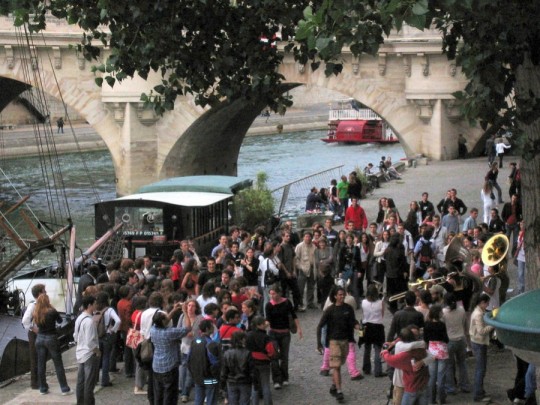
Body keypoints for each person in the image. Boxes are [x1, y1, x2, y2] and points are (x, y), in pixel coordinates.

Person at [316, 286, 361, 403]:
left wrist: (358, 327)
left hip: (345, 341)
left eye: (343, 294)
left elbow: (353, 322)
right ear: (335, 296)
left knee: (338, 366)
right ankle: (339, 391)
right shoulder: (330, 310)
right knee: (335, 367)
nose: (342, 297)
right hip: (333, 342)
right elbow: (320, 326)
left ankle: (334, 386)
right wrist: (319, 343)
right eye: (340, 295)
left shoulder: (348, 308)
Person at [151, 306, 191, 405]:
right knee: (170, 394)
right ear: (164, 321)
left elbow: (163, 320)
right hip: (169, 367)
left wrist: (174, 309)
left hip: (157, 366)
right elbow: (188, 328)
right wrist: (185, 312)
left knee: (158, 393)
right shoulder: (169, 333)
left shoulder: (153, 329)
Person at [33, 294, 72, 395]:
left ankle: (42, 388)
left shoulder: (36, 312)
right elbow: (60, 321)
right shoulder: (52, 311)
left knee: (41, 364)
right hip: (51, 337)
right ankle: (64, 388)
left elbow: (36, 325)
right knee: (58, 363)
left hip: (40, 338)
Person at [265, 283, 302, 389]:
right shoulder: (269, 305)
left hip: (285, 333)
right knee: (274, 356)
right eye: (271, 294)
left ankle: (285, 378)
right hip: (273, 333)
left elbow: (293, 315)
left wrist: (299, 328)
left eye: (274, 294)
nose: (272, 296)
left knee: (284, 357)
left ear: (279, 293)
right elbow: (268, 319)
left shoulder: (286, 303)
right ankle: (276, 379)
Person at [381, 326, 430, 405]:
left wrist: (384, 351)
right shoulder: (422, 348)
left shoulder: (404, 353)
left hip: (410, 386)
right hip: (423, 384)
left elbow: (390, 359)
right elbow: (431, 355)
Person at [74, 295, 100, 405]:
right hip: (89, 354)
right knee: (89, 383)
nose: (96, 306)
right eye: (94, 304)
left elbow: (75, 335)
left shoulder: (79, 318)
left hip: (80, 352)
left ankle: (80, 402)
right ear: (89, 305)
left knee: (81, 382)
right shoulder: (89, 322)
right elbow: (90, 341)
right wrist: (97, 351)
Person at [442, 293, 471, 395]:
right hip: (461, 339)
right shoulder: (462, 310)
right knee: (462, 363)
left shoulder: (443, 313)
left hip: (449, 341)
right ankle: (465, 385)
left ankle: (450, 387)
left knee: (449, 365)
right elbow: (465, 325)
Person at [246, 316, 277, 405]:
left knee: (254, 386)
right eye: (263, 324)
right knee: (265, 385)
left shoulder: (248, 335)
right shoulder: (266, 337)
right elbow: (271, 351)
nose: (265, 325)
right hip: (263, 363)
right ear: (259, 325)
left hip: (252, 363)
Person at [188, 319, 221, 405]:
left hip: (197, 377)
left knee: (198, 399)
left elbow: (189, 359)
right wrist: (217, 375)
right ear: (207, 329)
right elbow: (214, 362)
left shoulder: (194, 342)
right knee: (211, 400)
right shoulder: (211, 344)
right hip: (210, 378)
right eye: (212, 327)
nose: (214, 329)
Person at [470, 293, 494, 402]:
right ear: (482, 303)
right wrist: (493, 325)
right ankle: (478, 393)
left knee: (481, 368)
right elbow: (481, 331)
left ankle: (480, 391)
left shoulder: (478, 311)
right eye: (487, 303)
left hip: (477, 342)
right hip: (479, 343)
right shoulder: (478, 314)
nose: (488, 304)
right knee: (480, 369)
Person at [21, 283, 46, 390]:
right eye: (44, 291)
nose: (45, 293)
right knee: (35, 357)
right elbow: (25, 320)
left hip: (41, 333)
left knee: (41, 357)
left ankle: (41, 380)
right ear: (39, 293)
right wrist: (33, 328)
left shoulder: (42, 304)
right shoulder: (33, 305)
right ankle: (35, 382)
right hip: (35, 334)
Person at [423, 305, 449, 404]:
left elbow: (425, 339)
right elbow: (446, 339)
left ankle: (431, 399)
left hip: (431, 351)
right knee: (441, 376)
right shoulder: (442, 325)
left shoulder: (427, 324)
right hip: (442, 351)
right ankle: (442, 398)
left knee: (432, 377)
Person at [95, 291, 121, 388]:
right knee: (106, 358)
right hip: (107, 335)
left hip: (97, 336)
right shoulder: (109, 310)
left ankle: (95, 379)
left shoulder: (95, 309)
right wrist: (113, 330)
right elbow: (118, 321)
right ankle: (104, 380)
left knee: (97, 358)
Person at [221, 331, 253, 405]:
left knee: (233, 402)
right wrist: (255, 381)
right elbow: (251, 369)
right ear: (242, 340)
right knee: (245, 402)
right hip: (245, 381)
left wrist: (222, 384)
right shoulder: (247, 353)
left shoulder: (227, 353)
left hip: (231, 381)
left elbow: (224, 371)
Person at [361, 284, 386, 377]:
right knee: (378, 349)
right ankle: (378, 370)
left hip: (366, 326)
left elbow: (363, 314)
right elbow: (382, 314)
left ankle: (366, 368)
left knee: (367, 349)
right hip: (377, 326)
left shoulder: (363, 302)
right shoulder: (380, 303)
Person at [295, 231, 317, 310]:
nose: (308, 238)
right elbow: (296, 258)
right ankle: (300, 303)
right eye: (306, 236)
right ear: (303, 237)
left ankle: (310, 303)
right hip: (302, 269)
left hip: (311, 268)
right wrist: (299, 267)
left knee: (311, 287)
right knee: (301, 287)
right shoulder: (299, 246)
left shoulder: (314, 246)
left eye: (309, 236)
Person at [515, 221, 526, 294]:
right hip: (520, 256)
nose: (521, 226)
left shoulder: (527, 234)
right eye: (520, 225)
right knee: (520, 273)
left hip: (526, 256)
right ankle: (521, 289)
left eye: (522, 225)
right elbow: (517, 245)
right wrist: (518, 246)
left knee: (527, 273)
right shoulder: (519, 234)